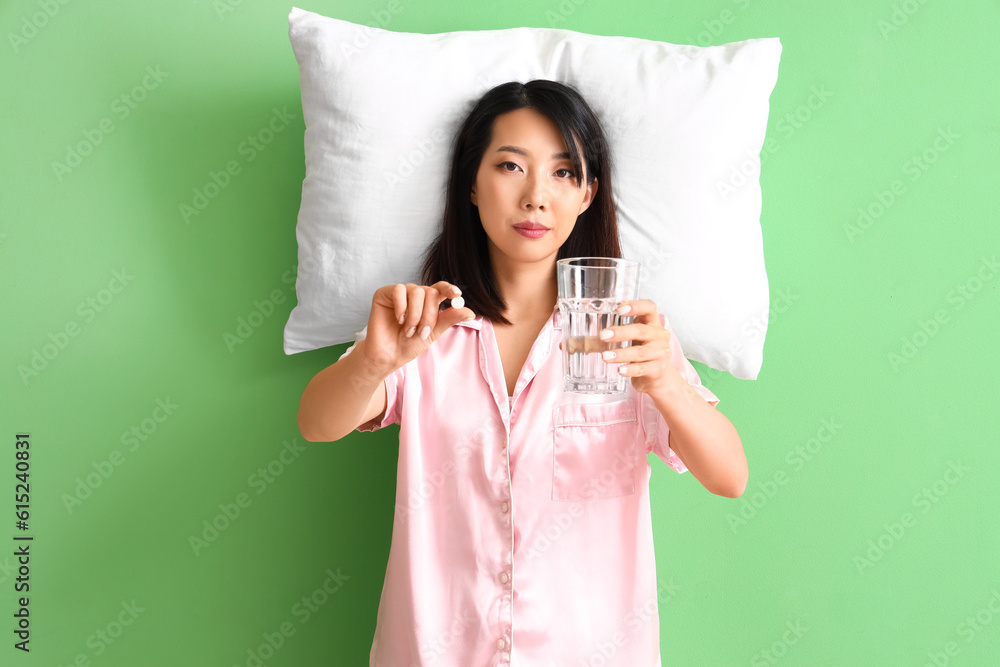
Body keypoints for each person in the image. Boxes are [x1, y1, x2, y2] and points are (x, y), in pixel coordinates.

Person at [297, 79, 748, 666]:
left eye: (564, 173)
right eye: (511, 166)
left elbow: (730, 476)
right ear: (472, 186)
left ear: (588, 193)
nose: (537, 196)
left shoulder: (627, 338)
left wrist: (664, 381)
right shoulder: (426, 326)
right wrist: (374, 360)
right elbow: (316, 423)